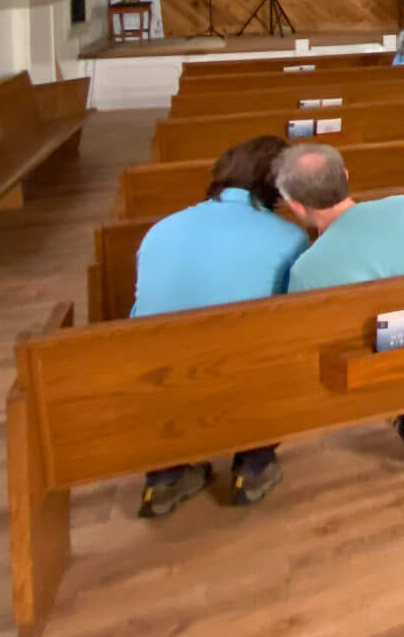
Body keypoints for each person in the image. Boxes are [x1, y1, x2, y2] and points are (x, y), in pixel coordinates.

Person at [131, 136, 307, 515]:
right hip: (239, 376)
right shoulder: (289, 238)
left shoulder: (162, 228)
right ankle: (253, 462)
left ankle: (165, 474)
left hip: (150, 378)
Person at [277, 144, 404, 460]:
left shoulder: (307, 269)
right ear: (345, 176)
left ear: (296, 207)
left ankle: (402, 410)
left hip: (366, 365)